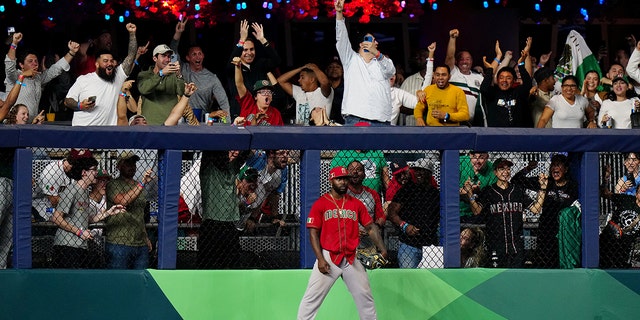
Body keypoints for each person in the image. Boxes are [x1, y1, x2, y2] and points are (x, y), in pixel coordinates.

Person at [297, 166, 387, 320]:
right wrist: (320, 258)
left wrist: (382, 249)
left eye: (345, 179)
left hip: (351, 257)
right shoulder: (321, 203)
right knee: (311, 299)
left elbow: (371, 227)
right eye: (339, 179)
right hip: (329, 257)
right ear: (331, 181)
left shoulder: (356, 204)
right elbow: (313, 233)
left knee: (365, 297)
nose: (343, 182)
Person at [468, 158, 548, 268]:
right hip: (496, 244)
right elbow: (476, 210)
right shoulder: (489, 191)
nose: (505, 172)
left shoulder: (517, 190)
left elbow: (536, 209)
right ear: (495, 172)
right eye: (501, 169)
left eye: (508, 168)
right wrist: (470, 194)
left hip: (516, 246)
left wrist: (543, 188)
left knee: (516, 277)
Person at [51, 156, 125, 268]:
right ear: (84, 173)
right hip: (66, 245)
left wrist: (109, 212)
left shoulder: (85, 192)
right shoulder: (71, 190)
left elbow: (87, 219)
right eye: (94, 169)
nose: (96, 172)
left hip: (80, 246)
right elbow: (56, 218)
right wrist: (79, 232)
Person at [65, 23, 138, 126]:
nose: (109, 63)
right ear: (97, 64)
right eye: (105, 61)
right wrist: (80, 105)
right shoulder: (83, 79)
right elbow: (67, 101)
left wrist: (132, 34)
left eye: (111, 61)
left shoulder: (117, 76)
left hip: (106, 134)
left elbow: (131, 56)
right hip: (83, 133)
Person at [335, 0, 395, 125]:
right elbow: (341, 39)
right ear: (361, 44)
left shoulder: (382, 61)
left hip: (381, 122)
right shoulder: (350, 59)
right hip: (355, 119)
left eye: (375, 41)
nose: (376, 43)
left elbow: (391, 71)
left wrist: (376, 53)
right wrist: (339, 13)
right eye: (371, 40)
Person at [513, 154, 579, 268]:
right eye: (553, 165)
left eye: (558, 165)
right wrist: (528, 168)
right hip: (546, 230)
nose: (555, 168)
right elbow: (516, 181)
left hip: (564, 231)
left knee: (562, 261)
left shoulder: (572, 186)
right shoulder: (546, 182)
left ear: (566, 169)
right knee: (544, 262)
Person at [5, 32, 79, 122]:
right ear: (21, 65)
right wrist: (14, 44)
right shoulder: (15, 76)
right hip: (13, 124)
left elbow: (56, 69)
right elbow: (9, 66)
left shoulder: (38, 78)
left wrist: (71, 52)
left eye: (36, 61)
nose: (34, 63)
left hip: (31, 124)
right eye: (30, 61)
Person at [198, 150, 251, 269]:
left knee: (232, 269)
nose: (235, 153)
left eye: (237, 150)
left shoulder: (233, 167)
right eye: (232, 150)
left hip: (230, 225)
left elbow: (246, 151)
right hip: (211, 224)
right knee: (207, 268)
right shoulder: (209, 167)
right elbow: (209, 151)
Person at [171, 18, 230, 123]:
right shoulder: (182, 68)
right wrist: (178, 34)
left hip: (202, 122)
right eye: (194, 54)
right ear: (188, 58)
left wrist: (228, 124)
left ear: (203, 56)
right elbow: (173, 53)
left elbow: (224, 103)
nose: (197, 57)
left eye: (200, 54)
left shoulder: (212, 78)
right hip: (180, 120)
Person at [386, 158, 440, 268]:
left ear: (429, 173)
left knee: (431, 281)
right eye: (416, 170)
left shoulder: (435, 193)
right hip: (409, 244)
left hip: (431, 246)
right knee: (408, 279)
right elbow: (391, 212)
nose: (418, 173)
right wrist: (404, 225)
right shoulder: (407, 190)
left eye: (422, 170)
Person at [105, 151, 154, 269]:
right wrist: (142, 183)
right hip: (119, 242)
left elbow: (140, 214)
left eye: (134, 163)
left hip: (140, 243)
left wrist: (145, 237)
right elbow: (123, 201)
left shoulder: (138, 185)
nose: (132, 166)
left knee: (141, 281)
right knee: (118, 281)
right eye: (127, 163)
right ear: (118, 166)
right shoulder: (113, 184)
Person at [227, 19, 281, 119]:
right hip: (239, 115)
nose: (249, 53)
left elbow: (277, 61)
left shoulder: (260, 64)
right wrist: (242, 40)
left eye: (252, 49)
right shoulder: (235, 67)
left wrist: (262, 40)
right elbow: (231, 64)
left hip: (260, 115)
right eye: (245, 50)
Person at [137, 44, 186, 125]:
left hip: (170, 125)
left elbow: (181, 92)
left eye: (169, 56)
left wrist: (179, 75)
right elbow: (144, 89)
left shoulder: (174, 76)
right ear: (155, 58)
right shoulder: (144, 75)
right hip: (149, 124)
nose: (167, 59)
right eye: (163, 56)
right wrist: (161, 73)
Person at [445, 29, 484, 125]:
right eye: (461, 59)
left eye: (468, 59)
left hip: (473, 123)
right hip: (453, 122)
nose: (465, 62)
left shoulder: (479, 77)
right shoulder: (453, 73)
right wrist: (452, 38)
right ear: (456, 62)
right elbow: (450, 56)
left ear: (472, 61)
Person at [481, 56, 533, 127]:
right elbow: (483, 89)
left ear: (514, 80)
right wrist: (490, 70)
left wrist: (520, 65)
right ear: (497, 80)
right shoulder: (493, 93)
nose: (504, 80)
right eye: (501, 78)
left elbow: (528, 84)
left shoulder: (518, 92)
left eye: (508, 78)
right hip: (497, 134)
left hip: (517, 134)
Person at [243, 150, 290, 229]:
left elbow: (273, 194)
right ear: (271, 154)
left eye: (287, 153)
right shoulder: (258, 158)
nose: (286, 156)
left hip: (252, 210)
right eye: (282, 153)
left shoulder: (283, 171)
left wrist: (275, 217)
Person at [231, 57, 283, 126]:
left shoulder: (276, 114)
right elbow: (239, 84)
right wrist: (237, 66)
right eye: (263, 92)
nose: (266, 94)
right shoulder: (248, 104)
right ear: (255, 96)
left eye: (269, 92)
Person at [346, 161, 386, 251]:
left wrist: (373, 228)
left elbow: (381, 217)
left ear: (364, 174)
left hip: (368, 243)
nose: (355, 172)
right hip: (346, 243)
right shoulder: (342, 194)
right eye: (351, 170)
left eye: (359, 170)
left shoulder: (372, 194)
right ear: (347, 174)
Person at [120, 81, 197, 126]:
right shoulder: (126, 142)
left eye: (144, 122)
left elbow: (175, 115)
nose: (142, 124)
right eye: (136, 122)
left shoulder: (156, 137)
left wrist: (186, 95)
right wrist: (123, 92)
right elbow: (122, 116)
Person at [459, 151, 497, 224]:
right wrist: (463, 191)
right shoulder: (460, 162)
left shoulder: (492, 171)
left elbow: (491, 197)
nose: (477, 161)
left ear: (487, 157)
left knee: (466, 235)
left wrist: (479, 192)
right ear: (470, 155)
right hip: (455, 210)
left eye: (481, 157)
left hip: (477, 214)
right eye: (474, 157)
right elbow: (448, 189)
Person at [399, 47, 430, 126]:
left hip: (434, 128)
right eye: (417, 56)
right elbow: (400, 106)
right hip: (412, 126)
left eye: (422, 56)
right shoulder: (408, 81)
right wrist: (419, 110)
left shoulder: (438, 80)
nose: (418, 58)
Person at [326, 57, 345, 124]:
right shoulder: (322, 88)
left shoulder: (347, 88)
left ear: (343, 70)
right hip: (324, 126)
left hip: (343, 125)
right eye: (331, 67)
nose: (334, 69)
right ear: (326, 70)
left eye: (337, 67)